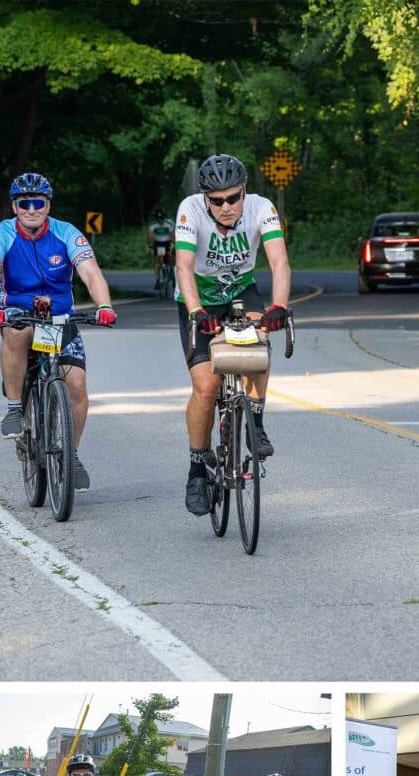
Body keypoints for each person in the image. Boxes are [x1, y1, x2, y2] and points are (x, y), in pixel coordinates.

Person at [0, 172, 117, 492]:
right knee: (16, 333)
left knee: (77, 386)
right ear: (14, 207)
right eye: (24, 204)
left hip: (57, 315)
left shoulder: (66, 232)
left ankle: (71, 453)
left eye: (37, 203)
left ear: (48, 206)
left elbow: (90, 273)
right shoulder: (2, 233)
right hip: (18, 311)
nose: (31, 209)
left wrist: (105, 304)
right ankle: (15, 409)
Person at [173, 153, 291, 515]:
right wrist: (196, 311)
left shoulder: (261, 208)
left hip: (241, 290)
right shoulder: (189, 210)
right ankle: (196, 469)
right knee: (206, 387)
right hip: (199, 298)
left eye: (233, 198)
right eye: (217, 200)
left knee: (259, 346)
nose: (227, 207)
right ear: (206, 198)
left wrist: (279, 307)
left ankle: (255, 422)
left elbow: (279, 261)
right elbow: (183, 266)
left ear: (244, 192)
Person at [147, 209, 175, 285]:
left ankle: (173, 276)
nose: (160, 221)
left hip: (167, 243)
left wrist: (173, 244)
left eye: (161, 219)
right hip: (158, 243)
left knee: (170, 259)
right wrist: (149, 246)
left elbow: (172, 235)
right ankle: (157, 280)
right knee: (157, 261)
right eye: (158, 219)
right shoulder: (152, 225)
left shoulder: (169, 224)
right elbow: (150, 236)